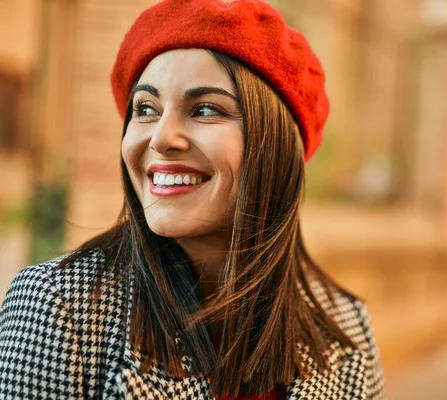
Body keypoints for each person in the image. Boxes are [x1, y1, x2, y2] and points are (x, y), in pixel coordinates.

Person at [0, 0, 385, 398]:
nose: (162, 138)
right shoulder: (62, 307)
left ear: (277, 148)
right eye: (146, 108)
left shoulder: (345, 331)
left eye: (204, 109)